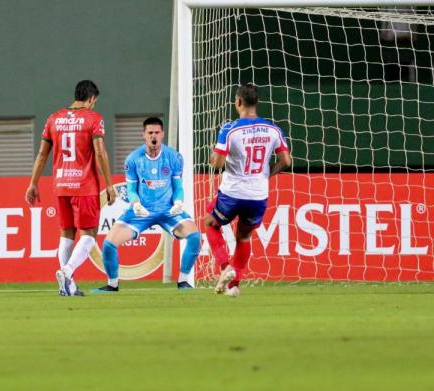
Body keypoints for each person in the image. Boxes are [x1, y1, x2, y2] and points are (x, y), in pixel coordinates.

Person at [25, 80, 116, 296]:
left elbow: (42, 154)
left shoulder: (53, 119)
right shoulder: (94, 119)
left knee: (66, 234)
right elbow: (100, 152)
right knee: (90, 234)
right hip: (84, 185)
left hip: (61, 184)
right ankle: (67, 271)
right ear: (92, 98)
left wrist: (33, 183)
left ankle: (69, 286)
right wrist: (109, 184)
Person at [92, 117, 201, 292]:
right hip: (141, 212)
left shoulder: (174, 157)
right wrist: (135, 204)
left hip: (168, 210)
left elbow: (178, 187)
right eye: (150, 133)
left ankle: (183, 282)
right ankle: (112, 285)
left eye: (157, 132)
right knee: (109, 244)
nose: (154, 136)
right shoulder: (133, 159)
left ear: (163, 134)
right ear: (144, 134)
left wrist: (179, 201)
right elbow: (132, 188)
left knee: (195, 237)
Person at [204, 83, 291, 297]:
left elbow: (217, 162)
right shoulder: (273, 130)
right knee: (243, 237)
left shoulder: (230, 129)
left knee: (210, 223)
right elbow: (286, 161)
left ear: (238, 102)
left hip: (232, 192)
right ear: (257, 103)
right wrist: (266, 175)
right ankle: (234, 286)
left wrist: (214, 156)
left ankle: (225, 267)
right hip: (258, 195)